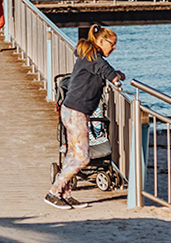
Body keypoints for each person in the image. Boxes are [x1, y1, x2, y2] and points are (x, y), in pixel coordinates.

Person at [46, 24, 125, 209]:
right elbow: (103, 69)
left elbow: (104, 69)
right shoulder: (93, 57)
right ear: (101, 41)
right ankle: (53, 192)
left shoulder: (89, 56)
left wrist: (116, 75)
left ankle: (65, 194)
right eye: (112, 44)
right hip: (76, 112)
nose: (114, 48)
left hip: (73, 110)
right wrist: (115, 79)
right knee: (82, 158)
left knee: (73, 154)